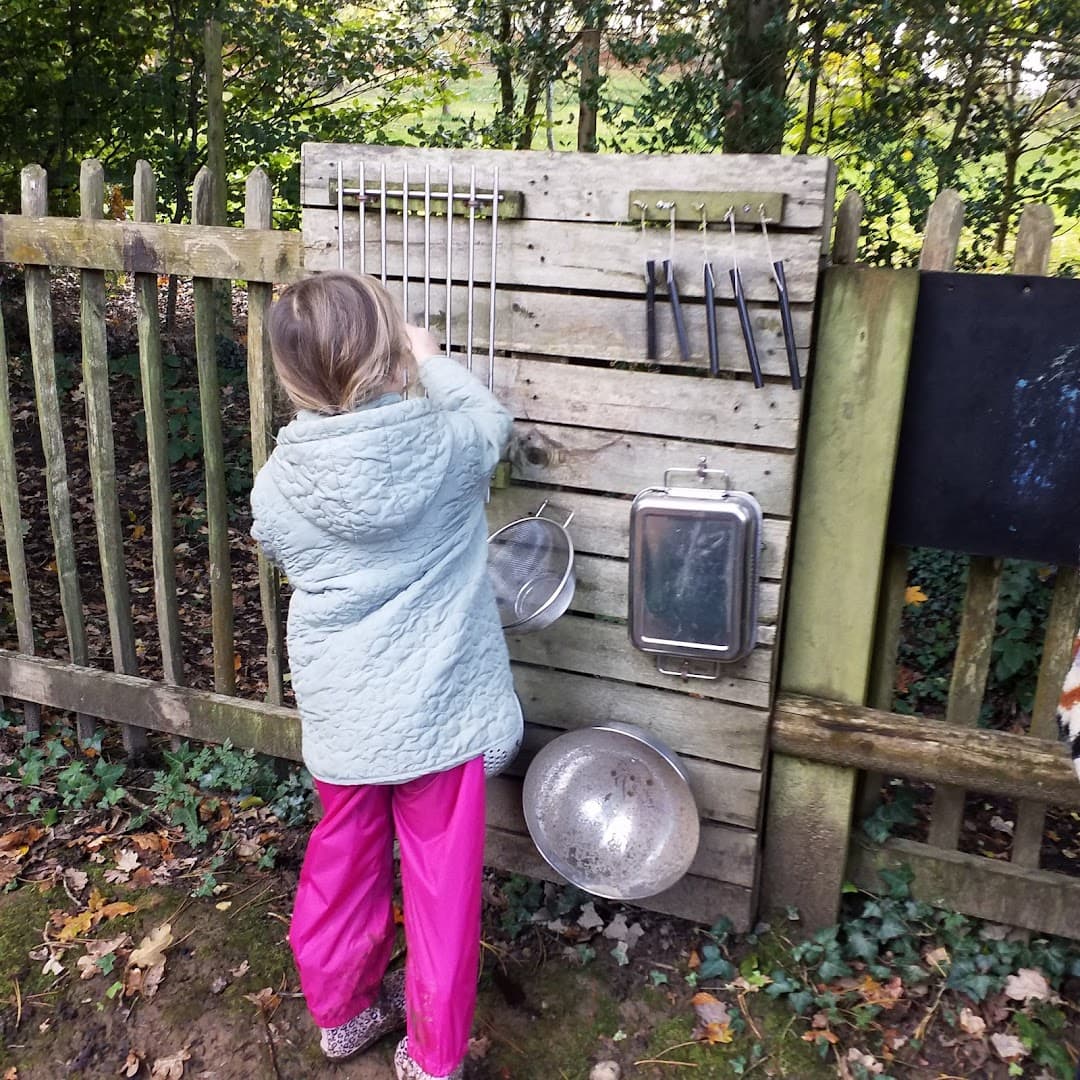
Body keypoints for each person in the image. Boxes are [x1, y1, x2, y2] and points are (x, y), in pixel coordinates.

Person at [250, 270, 523, 1080]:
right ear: (389, 353)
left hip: (347, 713)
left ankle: (342, 1015)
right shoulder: (446, 444)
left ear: (291, 376)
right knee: (442, 889)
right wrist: (432, 359)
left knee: (341, 862)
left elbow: (291, 551)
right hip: (438, 714)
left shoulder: (276, 487)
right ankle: (433, 1057)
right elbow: (490, 418)